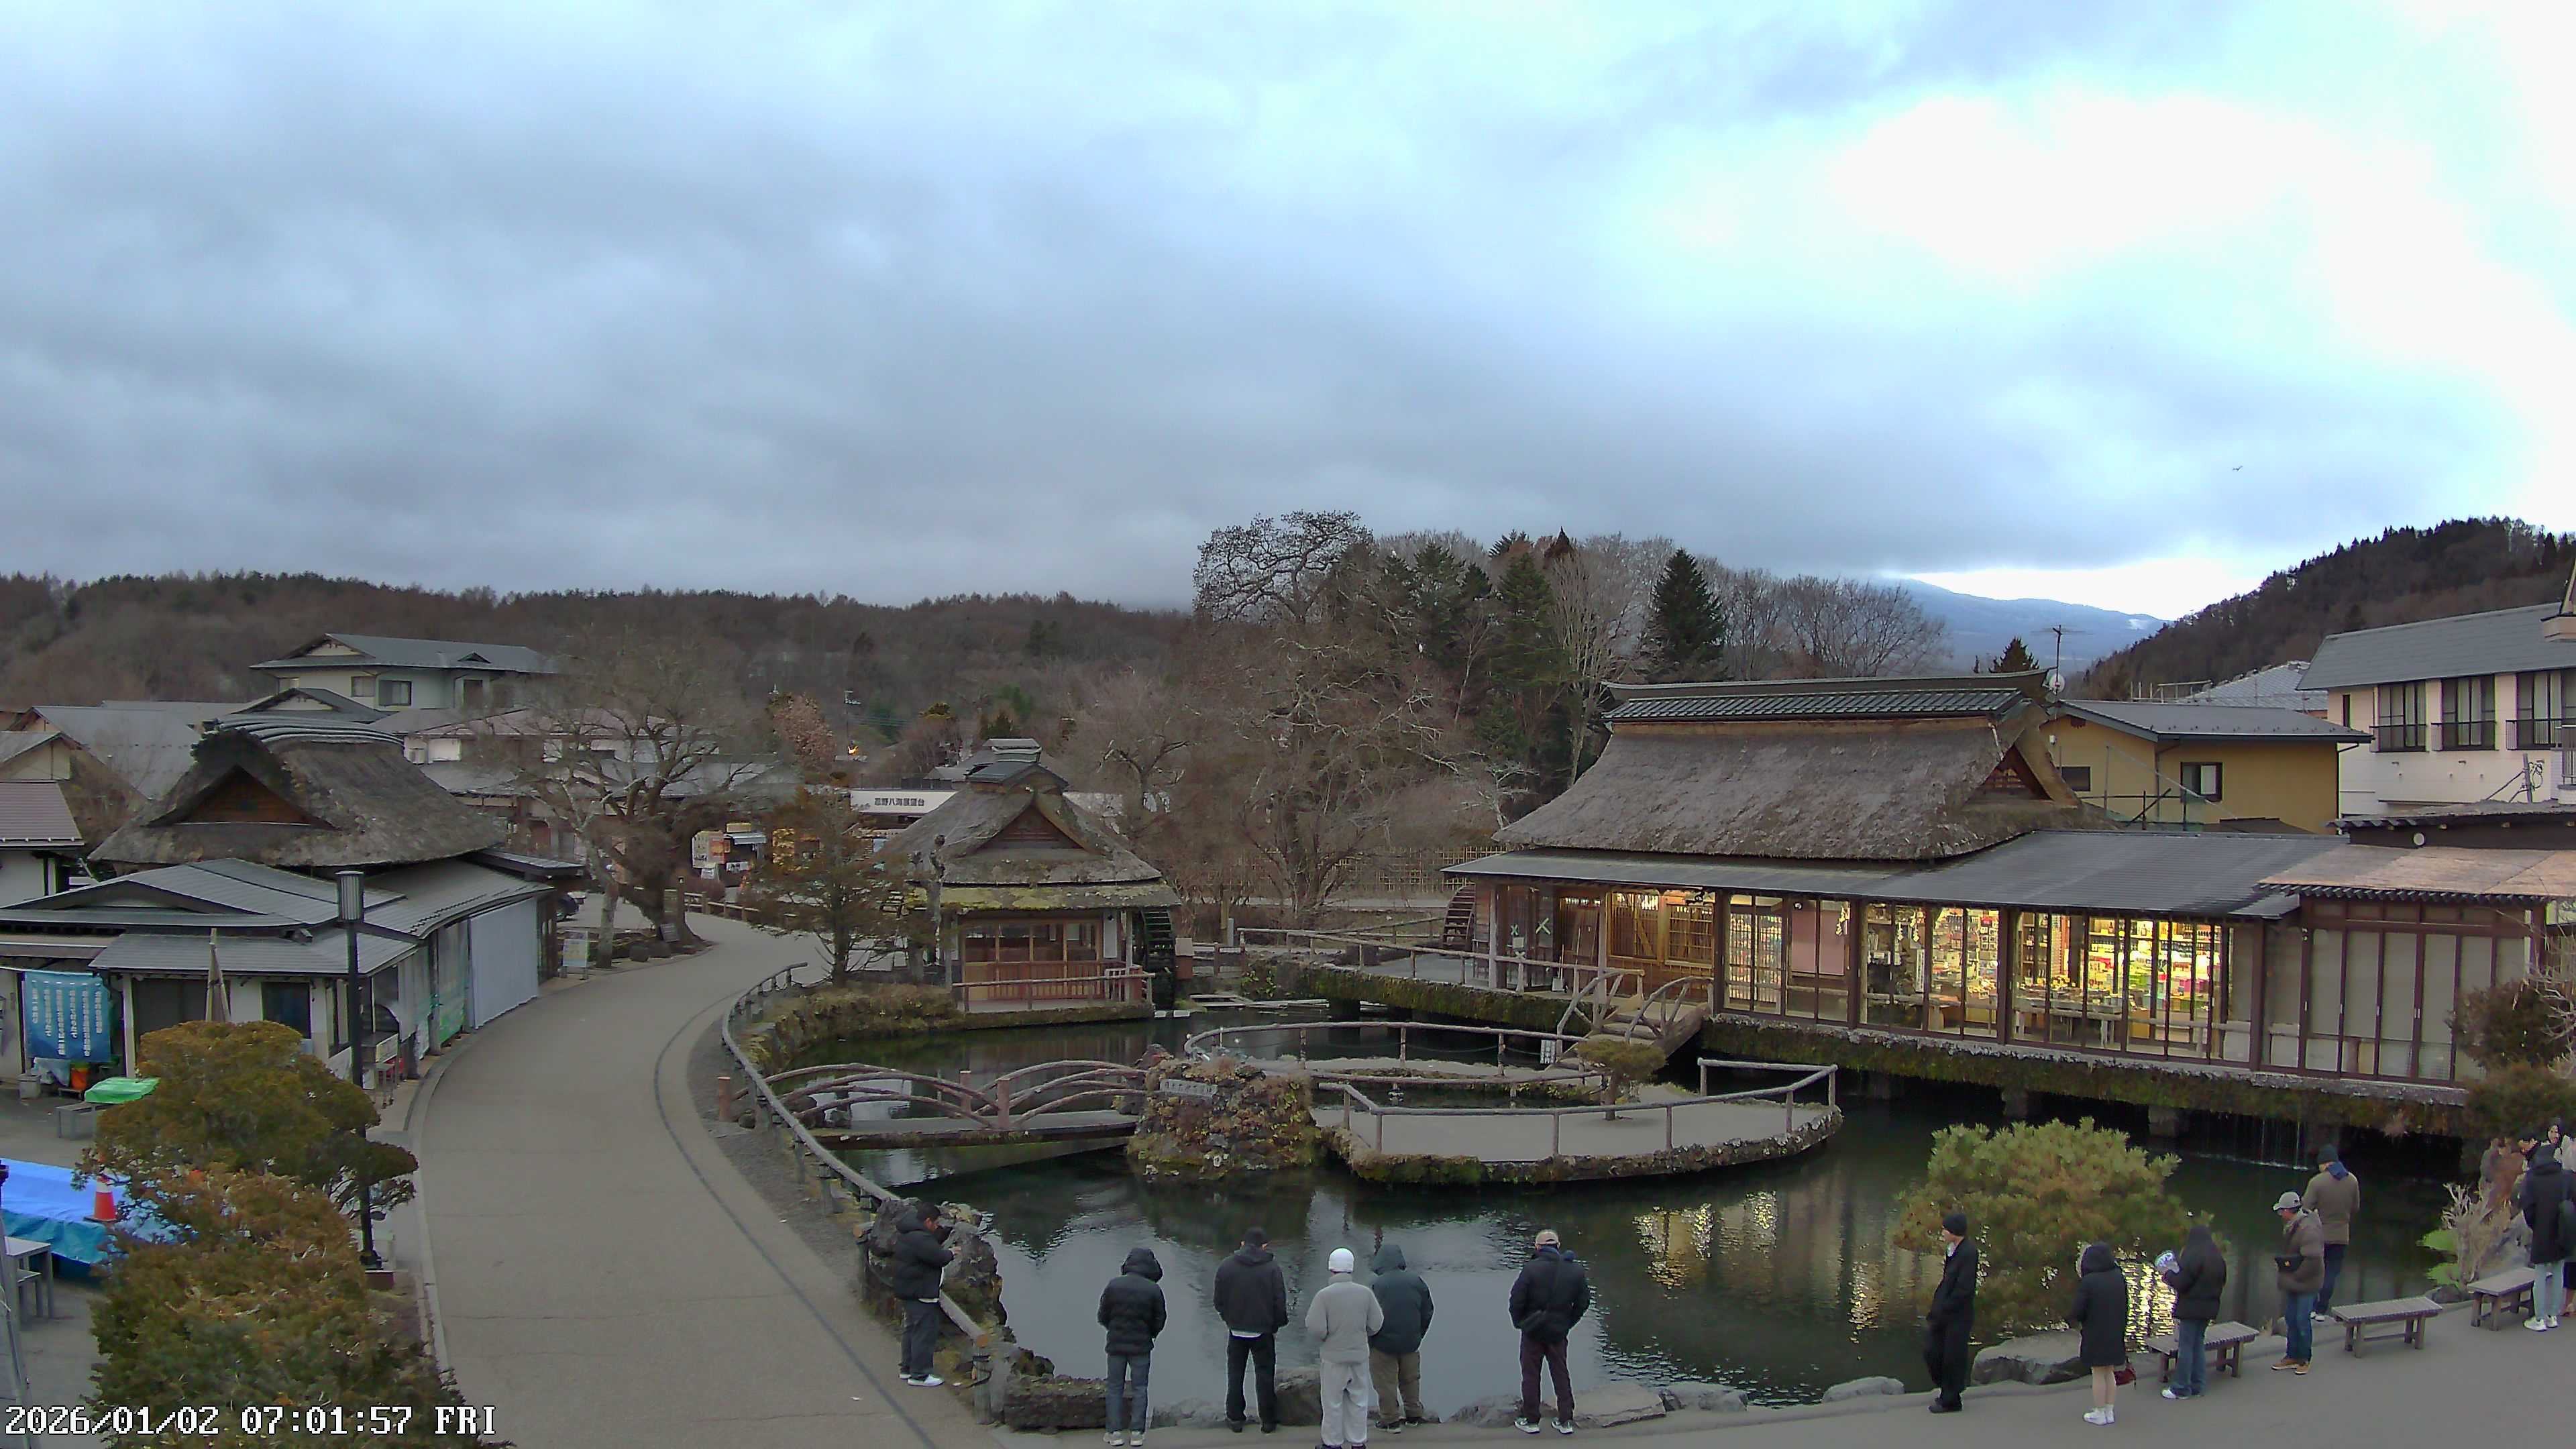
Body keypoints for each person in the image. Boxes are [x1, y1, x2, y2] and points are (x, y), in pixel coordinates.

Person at [1508, 1229, 1590, 1436]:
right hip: (1558, 1331)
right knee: (1561, 1373)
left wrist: (1521, 1323)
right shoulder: (1575, 1271)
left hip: (1533, 1331)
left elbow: (1516, 1300)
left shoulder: (1530, 1269)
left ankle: (1532, 1420)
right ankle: (1565, 1421)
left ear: (1538, 1247)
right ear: (1558, 1246)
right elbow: (1583, 1303)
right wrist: (1567, 1323)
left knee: (1530, 1375)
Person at [1305, 1247, 1384, 1449]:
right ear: (1351, 1269)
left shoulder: (1324, 1296)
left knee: (1332, 1403)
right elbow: (1377, 1323)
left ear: (1331, 1269)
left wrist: (1327, 1336)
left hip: (1334, 1358)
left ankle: (1332, 1443)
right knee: (1358, 1401)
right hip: (1359, 1355)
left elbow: (1315, 1327)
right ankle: (1358, 1442)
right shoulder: (1365, 1293)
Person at [1215, 1227, 1290, 1434]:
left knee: (1235, 1375)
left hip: (1236, 1330)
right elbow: (1279, 1302)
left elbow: (1218, 1301)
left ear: (1242, 1244)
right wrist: (1276, 1325)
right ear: (1264, 1246)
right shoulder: (1272, 1268)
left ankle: (1235, 1418)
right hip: (1263, 1331)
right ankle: (1268, 1420)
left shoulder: (1226, 1266)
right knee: (1265, 1375)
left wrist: (1229, 1319)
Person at [1097, 1247, 1167, 1448]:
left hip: (1116, 1344)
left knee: (1114, 1388)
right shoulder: (1153, 1289)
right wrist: (1150, 1334)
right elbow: (1160, 1319)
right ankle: (1137, 1433)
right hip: (1142, 1346)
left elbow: (1103, 1315)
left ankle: (1114, 1432)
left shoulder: (1114, 1286)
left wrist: (1114, 1329)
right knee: (1140, 1388)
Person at [1368, 1244, 1435, 1436]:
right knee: (1411, 1379)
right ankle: (1414, 1415)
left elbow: (1368, 1315)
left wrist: (1371, 1338)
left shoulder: (1376, 1285)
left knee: (1385, 1383)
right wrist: (1419, 1334)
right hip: (1411, 1342)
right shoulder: (1417, 1281)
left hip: (1383, 1344)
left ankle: (1390, 1421)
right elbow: (1428, 1310)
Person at [2159, 1224, 2226, 1401]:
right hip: (2209, 1308)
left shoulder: (2193, 1255)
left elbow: (2183, 1283)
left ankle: (2181, 1387)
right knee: (2198, 1346)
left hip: (2190, 1308)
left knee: (2186, 1347)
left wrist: (2167, 1276)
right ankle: (2198, 1385)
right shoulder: (2217, 1258)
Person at [888, 1205, 953, 1388]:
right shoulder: (922, 1239)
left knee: (911, 1330)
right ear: (928, 1222)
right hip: (921, 1292)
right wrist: (951, 1253)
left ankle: (907, 1368)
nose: (937, 1227)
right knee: (924, 1333)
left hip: (909, 1290)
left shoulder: (908, 1234)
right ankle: (920, 1374)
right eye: (936, 1223)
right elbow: (939, 1257)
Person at [2068, 1242, 2129, 1427]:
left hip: (2095, 1332)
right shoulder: (2119, 1276)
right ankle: (2109, 1410)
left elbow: (2078, 1310)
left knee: (2097, 1373)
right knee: (2110, 1371)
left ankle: (2099, 1411)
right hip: (2115, 1331)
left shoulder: (2089, 1282)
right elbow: (2126, 1305)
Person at [1923, 1212, 1978, 1414]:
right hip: (1943, 1311)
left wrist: (1946, 1307)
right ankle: (1946, 1388)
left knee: (1953, 1356)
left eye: (1945, 1229)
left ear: (1954, 1231)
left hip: (1958, 1314)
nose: (1943, 1232)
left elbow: (1964, 1288)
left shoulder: (1969, 1252)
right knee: (1932, 1350)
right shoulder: (1952, 1250)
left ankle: (1951, 1398)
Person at [2518, 1141, 2574, 1331]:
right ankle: (2552, 1316)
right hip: (2562, 1230)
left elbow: (2528, 1207)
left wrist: (2535, 1225)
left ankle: (2539, 1318)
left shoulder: (2532, 1178)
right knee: (2558, 1273)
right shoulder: (2564, 1177)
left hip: (2542, 1230)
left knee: (2541, 1274)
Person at [2303, 1145, 2361, 1316]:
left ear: (2324, 1164)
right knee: (2331, 1274)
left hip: (2320, 1235)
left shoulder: (2317, 1182)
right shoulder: (2353, 1180)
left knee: (2315, 1272)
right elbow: (2355, 1207)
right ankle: (2322, 1310)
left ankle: (2312, 1308)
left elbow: (2305, 1208)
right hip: (2342, 1237)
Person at [2272, 1190, 2325, 1374]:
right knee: (2291, 1319)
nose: (2280, 1215)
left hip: (2306, 1283)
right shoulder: (2293, 1225)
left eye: (2282, 1211)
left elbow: (2313, 1260)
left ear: (2289, 1210)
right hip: (2295, 1281)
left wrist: (2296, 1277)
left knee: (2302, 1320)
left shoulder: (2308, 1230)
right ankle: (2292, 1355)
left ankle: (2304, 1358)